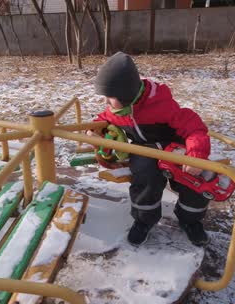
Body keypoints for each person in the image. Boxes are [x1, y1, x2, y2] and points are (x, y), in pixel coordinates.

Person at [90, 52, 212, 247]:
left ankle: (191, 220)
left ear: (126, 94)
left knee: (194, 181)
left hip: (175, 149)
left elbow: (193, 127)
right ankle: (143, 220)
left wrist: (195, 155)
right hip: (145, 150)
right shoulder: (120, 110)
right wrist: (95, 131)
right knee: (145, 176)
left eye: (110, 97)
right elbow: (102, 120)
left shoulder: (160, 105)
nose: (106, 102)